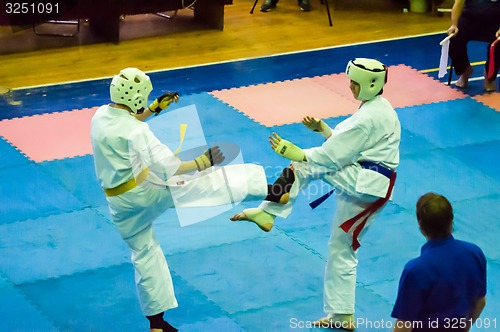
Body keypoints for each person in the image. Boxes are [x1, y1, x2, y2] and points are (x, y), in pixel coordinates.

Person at [90, 67, 272, 332]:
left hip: (118, 204)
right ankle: (270, 190)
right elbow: (167, 166)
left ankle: (156, 323)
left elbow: (127, 119)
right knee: (200, 183)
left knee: (144, 253)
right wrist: (202, 161)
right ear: (136, 96)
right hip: (144, 193)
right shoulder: (136, 132)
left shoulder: (100, 116)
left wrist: (153, 109)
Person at [231, 58, 401, 330]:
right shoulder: (376, 108)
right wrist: (324, 130)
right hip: (364, 178)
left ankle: (268, 212)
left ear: (371, 84)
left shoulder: (369, 117)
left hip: (368, 184)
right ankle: (342, 316)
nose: (351, 87)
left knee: (303, 163)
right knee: (341, 248)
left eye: (355, 83)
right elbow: (346, 146)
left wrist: (296, 152)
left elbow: (331, 158)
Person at [391, 193, 487, 332]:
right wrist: (464, 328)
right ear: (451, 220)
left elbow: (404, 325)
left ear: (420, 224)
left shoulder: (416, 270)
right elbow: (480, 302)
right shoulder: (474, 253)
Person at [447, 0, 500, 91]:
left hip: (495, 23)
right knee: (454, 38)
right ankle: (464, 70)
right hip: (469, 20)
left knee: (498, 45)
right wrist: (454, 24)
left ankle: (489, 77)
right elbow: (458, 3)